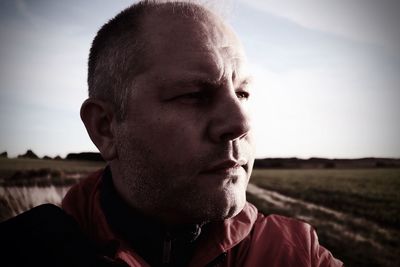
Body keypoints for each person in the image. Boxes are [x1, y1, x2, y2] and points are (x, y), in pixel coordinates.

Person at [0, 1, 343, 266]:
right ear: (105, 128)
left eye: (242, 93)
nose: (240, 124)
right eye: (194, 94)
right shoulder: (26, 250)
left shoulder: (294, 253)